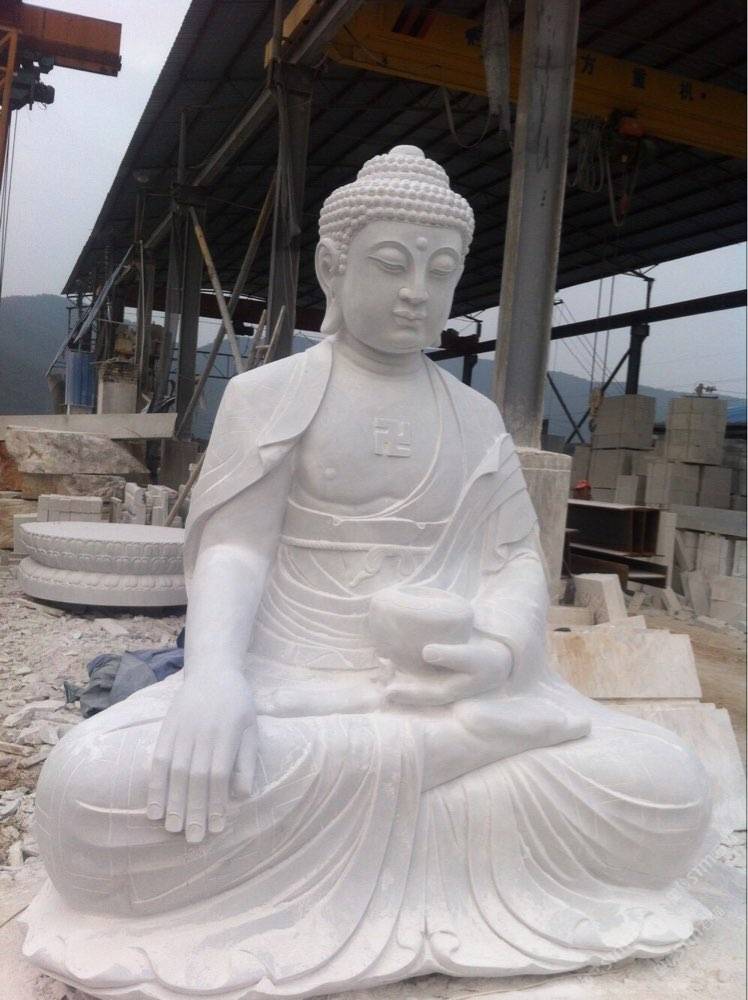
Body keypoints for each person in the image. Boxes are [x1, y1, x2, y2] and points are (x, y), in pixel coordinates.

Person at [24, 146, 712, 1000]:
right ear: (332, 268)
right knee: (91, 792)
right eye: (392, 264)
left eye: (441, 271)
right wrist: (214, 677)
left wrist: (499, 655)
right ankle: (457, 756)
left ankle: (447, 754)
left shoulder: (475, 418)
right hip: (291, 682)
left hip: (438, 690)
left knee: (668, 787)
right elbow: (236, 547)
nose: (418, 291)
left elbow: (511, 562)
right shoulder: (269, 394)